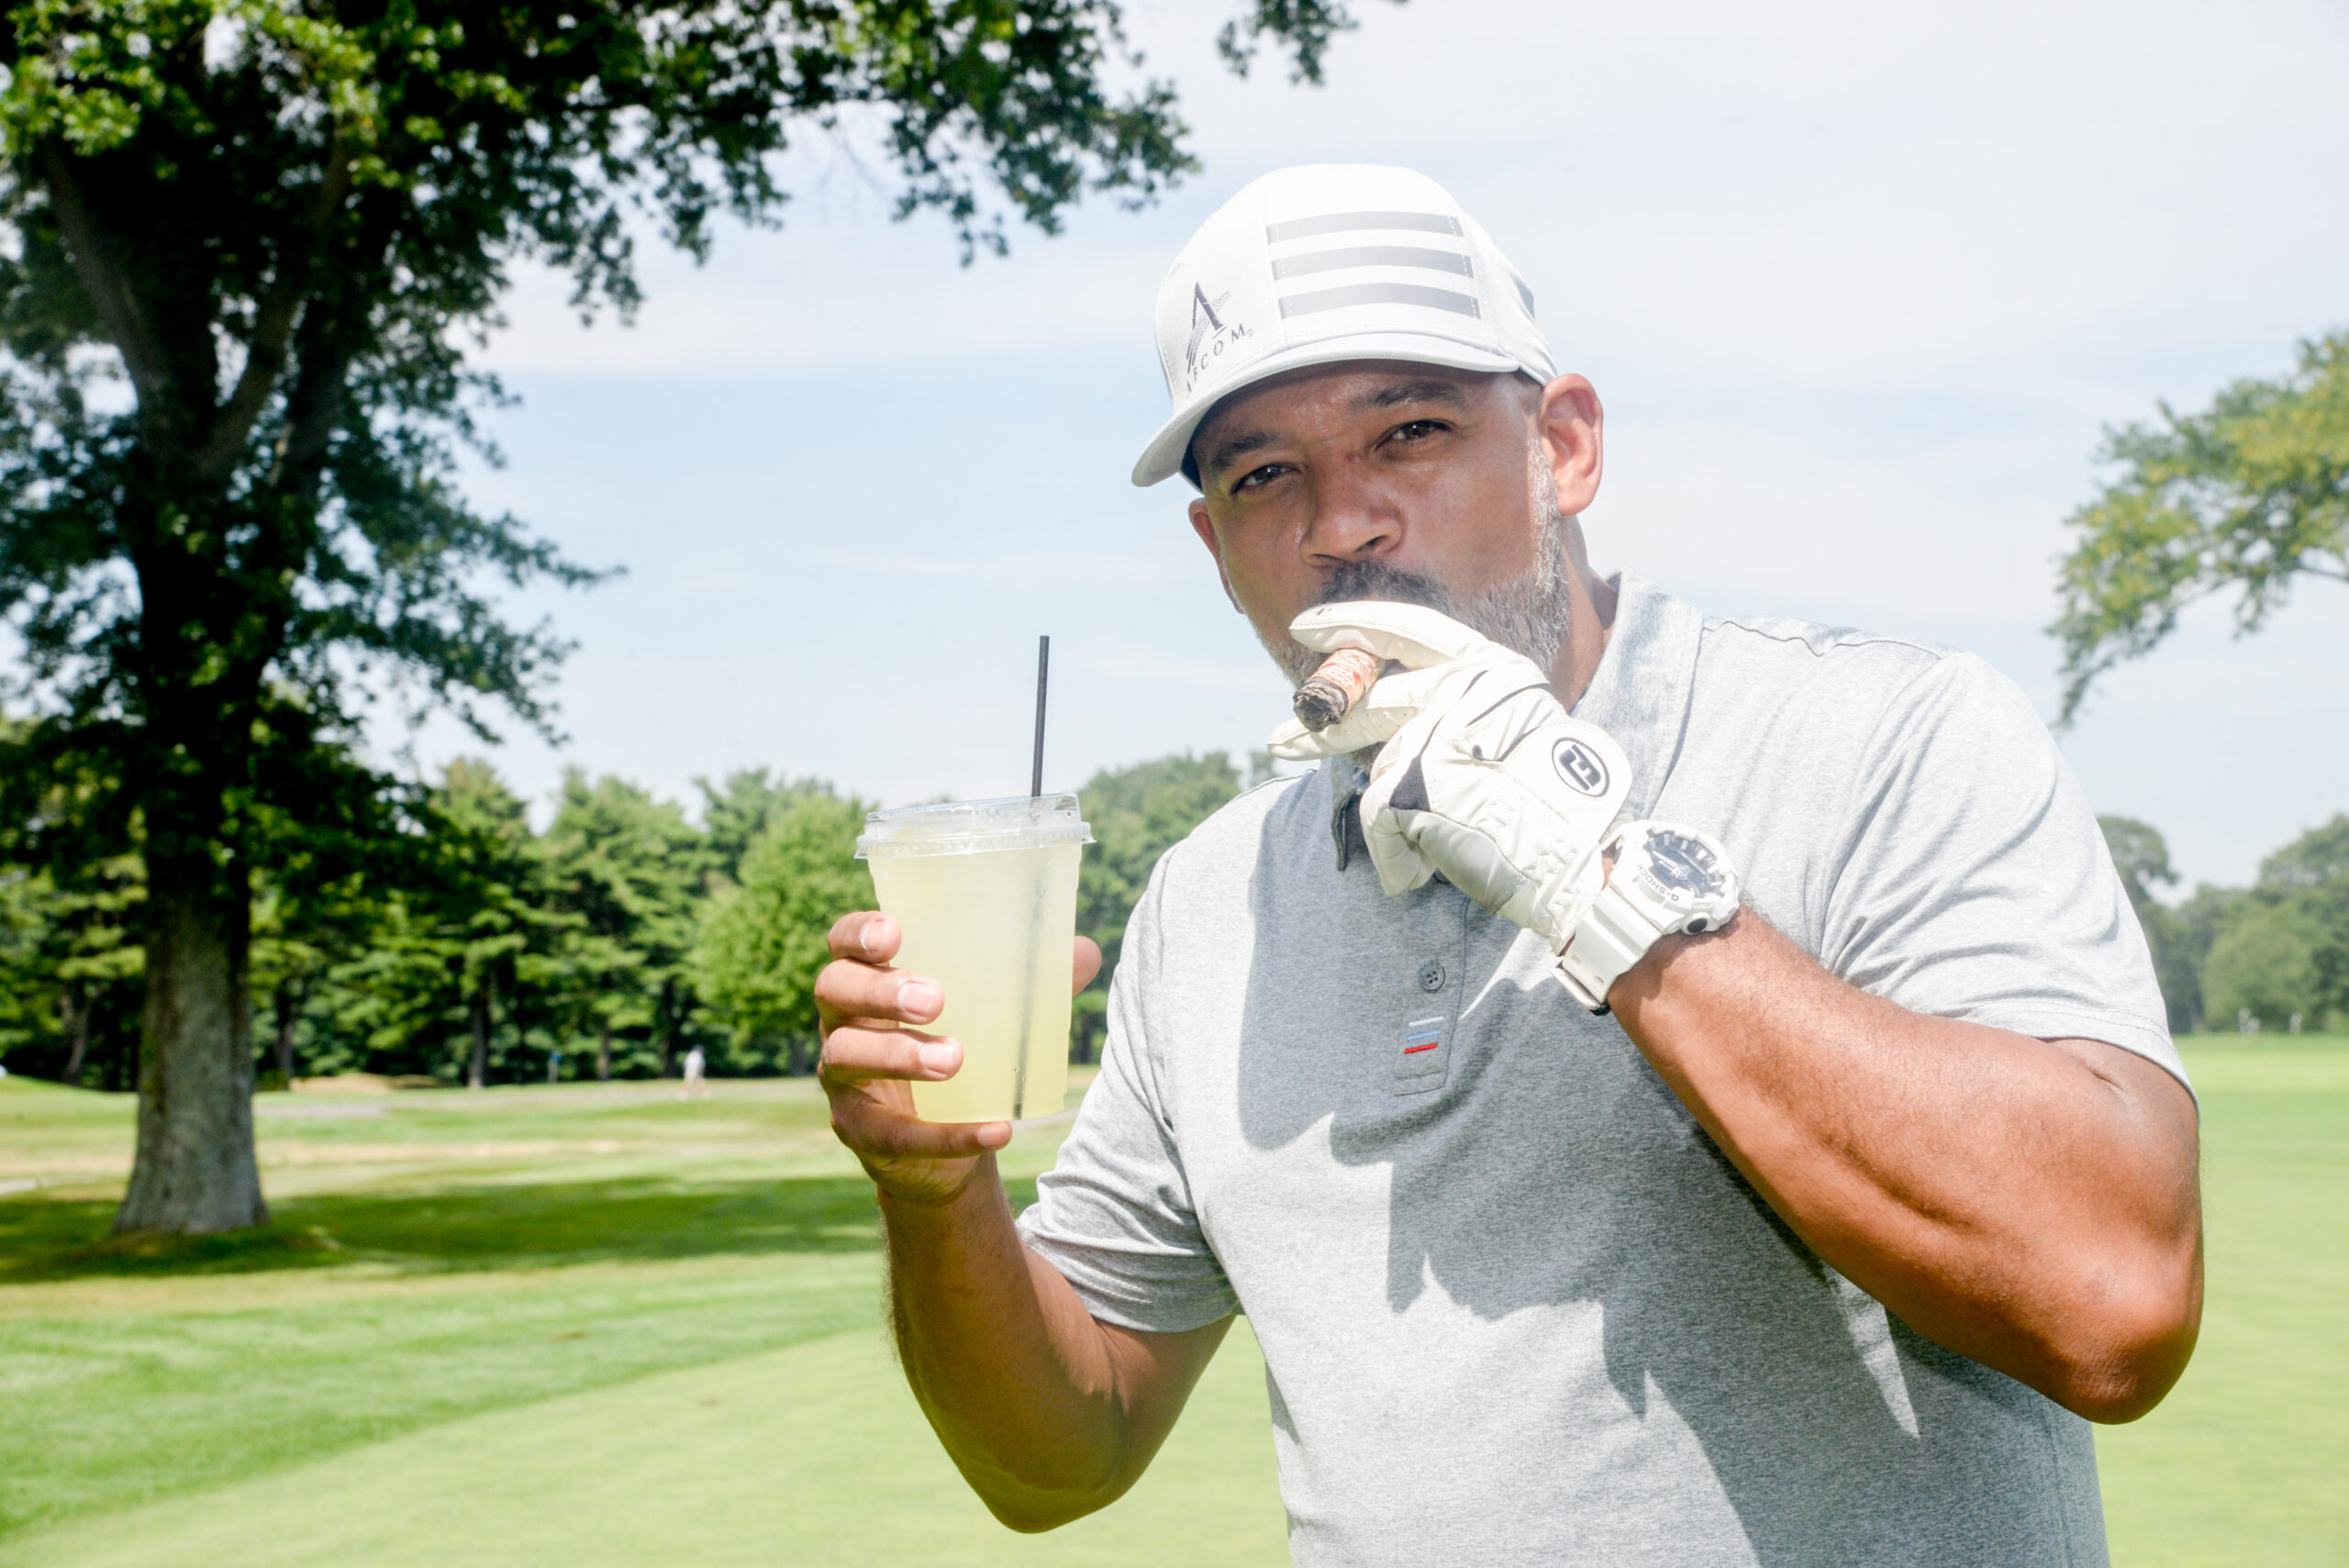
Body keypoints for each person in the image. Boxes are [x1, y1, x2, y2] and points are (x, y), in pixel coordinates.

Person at [817, 165, 2201, 1566]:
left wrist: (1585, 862)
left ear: (1564, 446)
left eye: (1409, 431)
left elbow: (2114, 1299)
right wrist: (934, 1193)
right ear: (1214, 546)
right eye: (1263, 474)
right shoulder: (1206, 900)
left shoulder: (1880, 736)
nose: (1341, 523)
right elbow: (1062, 1452)